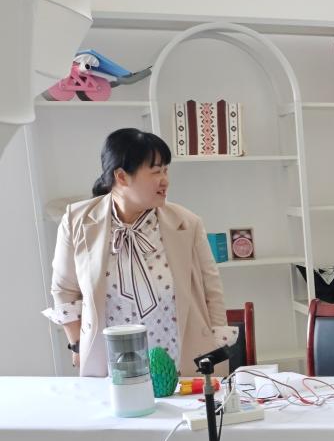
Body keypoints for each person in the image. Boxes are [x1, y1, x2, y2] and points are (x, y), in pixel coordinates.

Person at [44, 128, 235, 376]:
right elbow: (64, 290)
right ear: (122, 176)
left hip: (181, 361)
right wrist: (77, 345)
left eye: (165, 170)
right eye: (156, 172)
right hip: (111, 366)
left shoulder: (187, 223)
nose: (165, 180)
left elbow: (212, 289)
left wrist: (216, 349)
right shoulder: (77, 221)